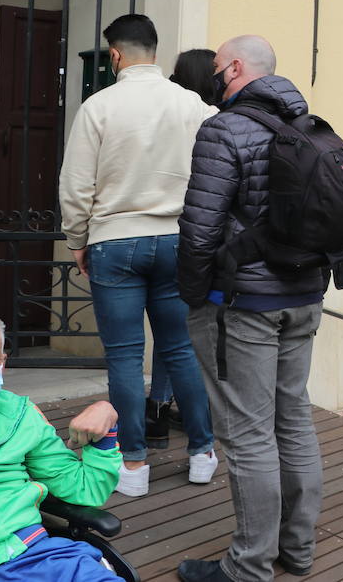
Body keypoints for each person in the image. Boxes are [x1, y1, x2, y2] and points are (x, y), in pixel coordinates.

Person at [176, 35, 326, 582]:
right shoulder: (314, 127)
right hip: (305, 298)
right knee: (294, 419)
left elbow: (199, 230)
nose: (213, 76)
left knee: (247, 432)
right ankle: (299, 549)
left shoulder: (223, 129)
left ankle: (248, 566)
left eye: (217, 67)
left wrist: (194, 296)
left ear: (235, 68)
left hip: (244, 305)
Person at [56, 14, 217, 498]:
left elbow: (76, 186)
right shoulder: (194, 105)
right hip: (178, 240)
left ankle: (133, 464)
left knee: (125, 358)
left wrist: (77, 240)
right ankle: (203, 453)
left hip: (115, 240)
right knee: (180, 350)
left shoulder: (98, 106)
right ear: (156, 49)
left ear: (116, 55)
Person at [0, 310, 123, 580]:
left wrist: (106, 421)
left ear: (2, 364)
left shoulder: (19, 417)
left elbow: (85, 489)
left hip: (37, 555)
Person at [146, 48, 221, 450]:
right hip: (200, 235)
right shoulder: (211, 117)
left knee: (170, 331)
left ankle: (158, 408)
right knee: (195, 331)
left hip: (158, 230)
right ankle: (198, 422)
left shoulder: (162, 112)